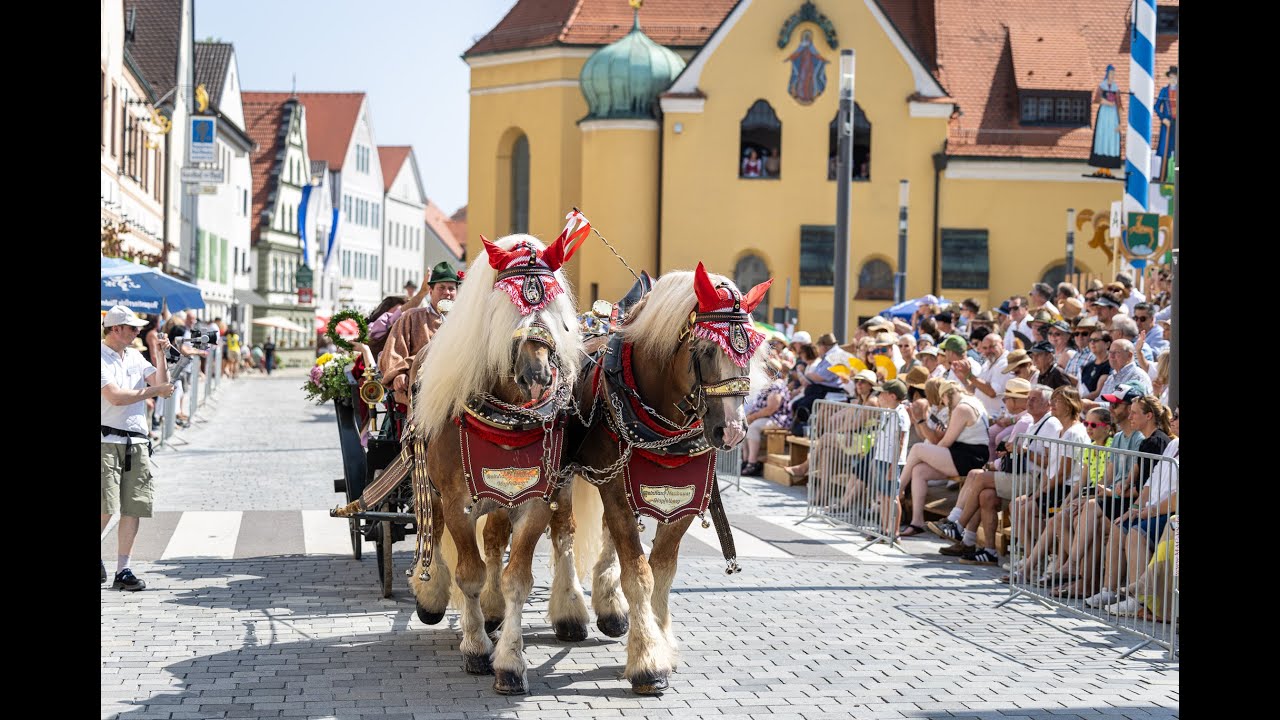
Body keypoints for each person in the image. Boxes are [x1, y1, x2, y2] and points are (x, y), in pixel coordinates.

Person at [101, 306, 175, 590]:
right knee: (105, 508)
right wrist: (153, 392)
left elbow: (161, 383)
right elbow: (116, 398)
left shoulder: (134, 355)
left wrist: (159, 354)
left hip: (137, 441)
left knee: (133, 507)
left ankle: (123, 570)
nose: (138, 332)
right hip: (107, 441)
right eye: (132, 328)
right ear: (116, 328)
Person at [897, 380, 990, 537]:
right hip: (967, 453)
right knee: (919, 471)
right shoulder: (972, 401)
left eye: (944, 401)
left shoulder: (962, 407)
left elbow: (947, 441)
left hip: (969, 456)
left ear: (947, 395)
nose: (945, 405)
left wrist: (929, 455)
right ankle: (917, 521)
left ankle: (897, 490)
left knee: (918, 449)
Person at [380, 261, 461, 408]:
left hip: (457, 389)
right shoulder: (412, 317)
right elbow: (393, 351)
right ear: (430, 291)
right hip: (417, 389)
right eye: (441, 287)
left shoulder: (464, 320)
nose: (447, 293)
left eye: (451, 288)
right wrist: (399, 374)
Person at [741, 358, 792, 476]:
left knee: (753, 427)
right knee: (745, 425)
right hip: (766, 417)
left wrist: (753, 417)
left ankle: (752, 462)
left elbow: (771, 408)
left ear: (769, 371)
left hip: (777, 419)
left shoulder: (777, 385)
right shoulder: (768, 384)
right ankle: (745, 460)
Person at [1087, 65, 1123, 176]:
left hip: (1113, 116)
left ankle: (1107, 168)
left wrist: (1120, 123)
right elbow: (1096, 99)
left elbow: (1119, 105)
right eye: (1110, 73)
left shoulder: (1116, 88)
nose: (1112, 76)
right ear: (1107, 74)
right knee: (1102, 139)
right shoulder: (1102, 86)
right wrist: (1107, 102)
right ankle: (1101, 167)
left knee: (1111, 140)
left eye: (1114, 74)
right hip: (1104, 114)